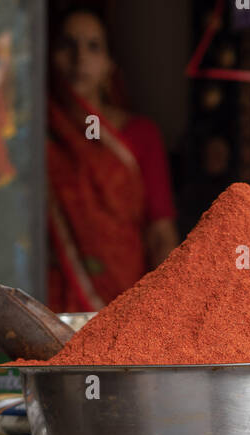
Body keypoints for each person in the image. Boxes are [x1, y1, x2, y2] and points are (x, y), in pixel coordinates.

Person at [48, 5, 179, 311]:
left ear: (109, 64)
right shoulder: (38, 138)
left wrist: (164, 306)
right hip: (54, 298)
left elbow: (160, 232)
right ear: (50, 56)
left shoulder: (140, 135)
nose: (80, 58)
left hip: (127, 296)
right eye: (68, 45)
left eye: (93, 47)